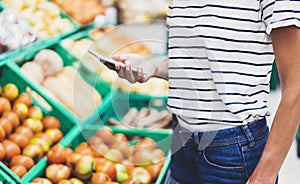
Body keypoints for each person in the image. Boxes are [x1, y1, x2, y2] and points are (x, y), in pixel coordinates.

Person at [107, 0, 300, 183]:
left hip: (232, 150)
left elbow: (296, 86)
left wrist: (264, 177)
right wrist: (153, 66)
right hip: (181, 139)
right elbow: (194, 62)